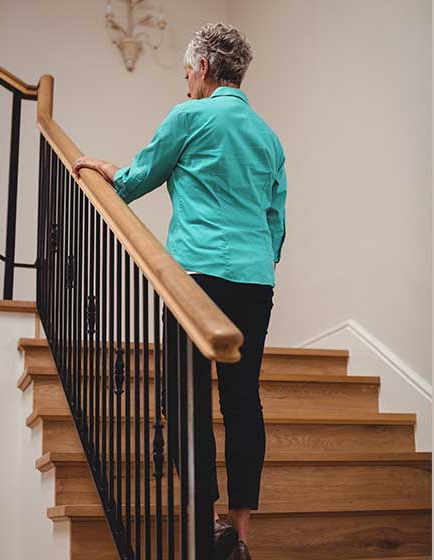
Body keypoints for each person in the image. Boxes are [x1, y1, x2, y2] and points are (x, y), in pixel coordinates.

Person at [71, 22, 286, 560]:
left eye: (188, 71)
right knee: (243, 400)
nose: (186, 81)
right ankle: (241, 537)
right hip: (254, 280)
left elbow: (134, 181)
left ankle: (206, 522)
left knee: (187, 398)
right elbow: (275, 223)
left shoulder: (188, 117)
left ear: (205, 68)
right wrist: (255, 259)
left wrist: (105, 170)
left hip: (195, 278)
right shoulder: (268, 136)